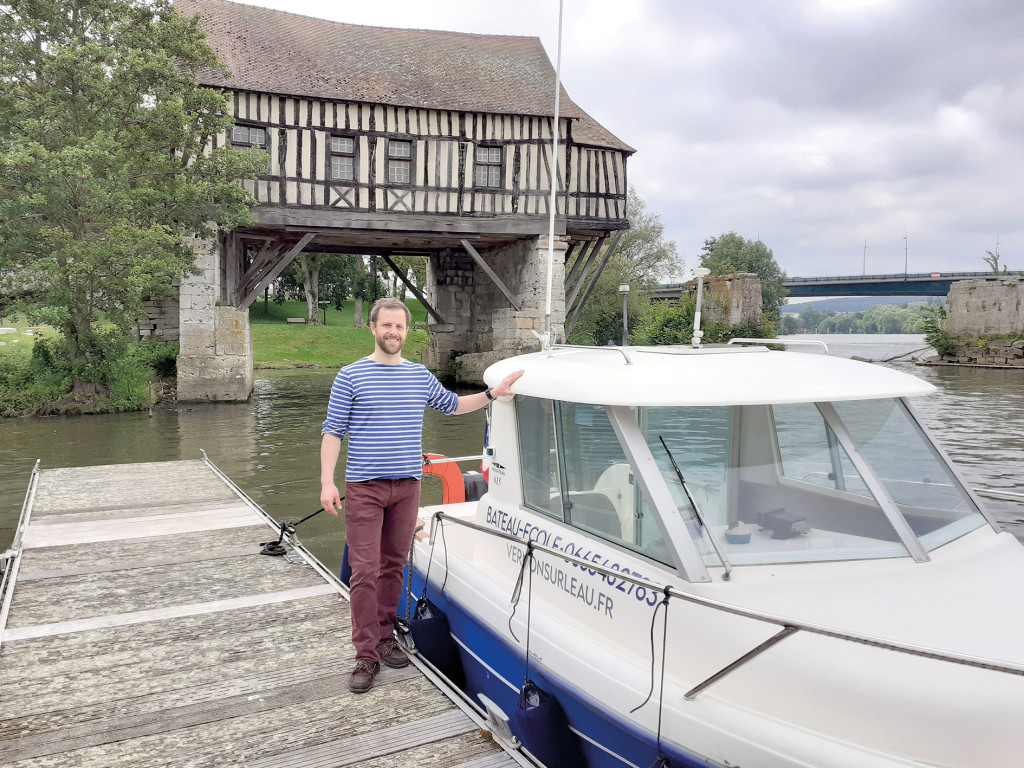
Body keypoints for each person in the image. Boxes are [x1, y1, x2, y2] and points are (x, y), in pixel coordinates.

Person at [320, 297, 524, 694]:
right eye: (386, 326)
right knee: (363, 570)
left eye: (399, 327)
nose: (392, 332)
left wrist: (493, 394)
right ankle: (365, 654)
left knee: (394, 565)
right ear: (373, 329)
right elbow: (332, 431)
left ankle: (383, 635)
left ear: (406, 332)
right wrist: (327, 481)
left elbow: (452, 405)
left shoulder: (418, 376)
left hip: (407, 486)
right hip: (364, 488)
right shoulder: (350, 376)